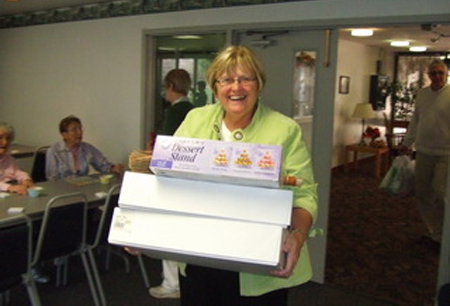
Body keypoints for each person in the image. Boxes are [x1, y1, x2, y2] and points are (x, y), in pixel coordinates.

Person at [173, 45, 318, 305]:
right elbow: (169, 179)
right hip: (199, 254)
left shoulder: (285, 130)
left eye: (245, 79)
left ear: (258, 84)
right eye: (227, 80)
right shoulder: (195, 120)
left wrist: (298, 234)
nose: (236, 88)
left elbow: (304, 194)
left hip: (258, 261)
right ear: (215, 87)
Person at [145, 69, 194, 299]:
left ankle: (171, 283)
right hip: (189, 180)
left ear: (172, 87)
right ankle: (181, 281)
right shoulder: (195, 111)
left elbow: (163, 147)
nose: (165, 92)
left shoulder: (175, 112)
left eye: (166, 87)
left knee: (168, 231)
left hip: (173, 180)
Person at [399, 59, 450, 245]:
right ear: (428, 75)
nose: (437, 76)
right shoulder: (422, 94)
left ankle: (444, 232)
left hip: (446, 153)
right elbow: (415, 121)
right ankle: (434, 232)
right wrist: (407, 143)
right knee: (422, 193)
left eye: (441, 73)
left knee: (439, 192)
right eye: (433, 73)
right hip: (423, 151)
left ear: (446, 75)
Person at [46, 115, 124, 180]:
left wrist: (114, 168)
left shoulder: (87, 148)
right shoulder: (54, 151)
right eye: (74, 130)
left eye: (80, 129)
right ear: (64, 134)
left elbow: (103, 165)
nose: (79, 132)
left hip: (83, 189)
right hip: (62, 191)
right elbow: (52, 179)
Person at [0, 122, 34, 194]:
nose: (5, 142)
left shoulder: (9, 158)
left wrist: (26, 179)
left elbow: (17, 172)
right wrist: (9, 187)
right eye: (0, 138)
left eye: (8, 138)